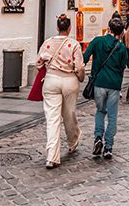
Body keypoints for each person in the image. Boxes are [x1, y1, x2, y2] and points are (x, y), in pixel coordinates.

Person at [36, 14, 86, 169]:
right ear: (69, 28)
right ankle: (72, 142)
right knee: (69, 113)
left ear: (57, 28)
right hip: (69, 80)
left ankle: (52, 156)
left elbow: (38, 63)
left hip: (51, 80)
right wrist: (80, 77)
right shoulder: (74, 44)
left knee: (52, 119)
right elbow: (79, 66)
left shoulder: (48, 43)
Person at [83, 16, 128, 160]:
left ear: (108, 28)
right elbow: (123, 66)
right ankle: (108, 147)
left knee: (100, 111)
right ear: (121, 32)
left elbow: (84, 57)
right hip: (114, 85)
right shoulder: (121, 47)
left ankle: (98, 137)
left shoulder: (97, 41)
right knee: (112, 116)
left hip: (99, 83)